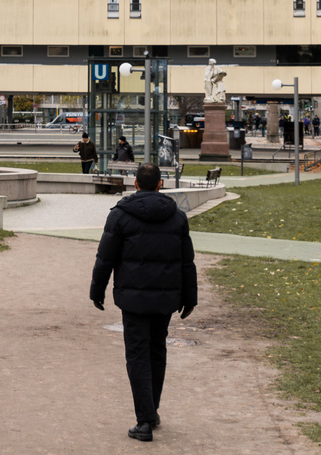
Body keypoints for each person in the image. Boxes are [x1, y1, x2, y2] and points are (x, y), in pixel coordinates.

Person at [89, 162, 197, 442]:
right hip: (165, 298)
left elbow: (105, 257)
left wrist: (97, 290)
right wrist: (190, 297)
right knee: (157, 351)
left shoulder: (120, 215)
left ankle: (144, 420)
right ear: (160, 184)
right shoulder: (178, 217)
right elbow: (187, 262)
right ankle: (152, 411)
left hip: (133, 299)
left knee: (137, 355)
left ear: (135, 184)